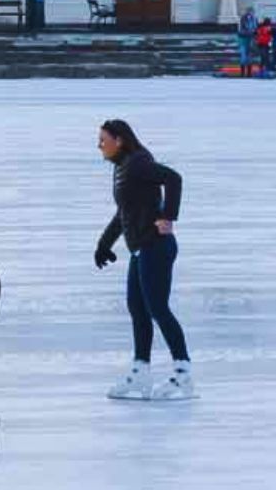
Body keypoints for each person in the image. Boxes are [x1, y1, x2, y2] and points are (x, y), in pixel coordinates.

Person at [94, 120, 192, 401]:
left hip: (156, 246)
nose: (99, 145)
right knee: (137, 309)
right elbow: (122, 212)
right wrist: (104, 244)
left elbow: (173, 178)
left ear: (119, 140)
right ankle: (141, 373)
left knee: (158, 309)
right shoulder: (122, 167)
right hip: (140, 248)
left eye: (103, 139)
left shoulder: (137, 164)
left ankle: (183, 374)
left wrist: (168, 216)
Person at [236, 8, 258, 78]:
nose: (251, 13)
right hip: (244, 39)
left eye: (252, 12)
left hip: (251, 39)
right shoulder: (243, 19)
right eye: (249, 12)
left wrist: (254, 34)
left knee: (250, 57)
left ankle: (249, 73)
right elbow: (241, 30)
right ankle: (242, 73)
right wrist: (248, 32)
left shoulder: (254, 19)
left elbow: (255, 28)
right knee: (243, 56)